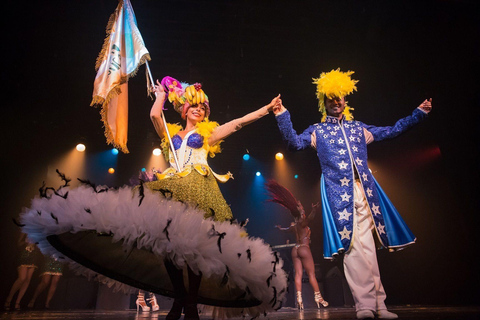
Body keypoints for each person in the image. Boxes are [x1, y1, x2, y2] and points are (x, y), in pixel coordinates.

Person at [19, 77, 288, 319]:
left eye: (203, 108)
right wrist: (160, 94)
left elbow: (238, 123)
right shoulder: (170, 136)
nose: (198, 110)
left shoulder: (208, 135)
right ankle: (180, 297)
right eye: (193, 106)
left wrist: (266, 108)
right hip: (173, 187)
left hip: (199, 187)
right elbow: (154, 115)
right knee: (169, 247)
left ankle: (191, 301)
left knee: (196, 248)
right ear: (184, 109)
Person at [272, 69, 432, 320]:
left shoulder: (359, 128)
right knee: (354, 247)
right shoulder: (318, 131)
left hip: (365, 191)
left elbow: (391, 131)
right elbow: (293, 143)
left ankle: (379, 305)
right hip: (338, 194)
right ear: (323, 102)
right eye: (331, 98)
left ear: (346, 100)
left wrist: (418, 114)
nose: (336, 102)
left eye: (340, 97)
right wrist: (282, 115)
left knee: (368, 248)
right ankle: (364, 306)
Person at [266, 180, 328, 310]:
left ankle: (299, 299)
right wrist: (314, 210)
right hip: (304, 249)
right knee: (311, 275)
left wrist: (279, 228)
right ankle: (319, 297)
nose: (302, 207)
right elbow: (310, 219)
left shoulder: (293, 225)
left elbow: (285, 230)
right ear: (299, 212)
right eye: (300, 207)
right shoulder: (301, 222)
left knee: (298, 274)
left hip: (295, 249)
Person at [4, 233, 39, 311]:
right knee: (22, 278)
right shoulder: (24, 230)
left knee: (27, 280)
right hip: (24, 254)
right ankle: (9, 299)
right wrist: (26, 242)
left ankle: (17, 302)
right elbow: (19, 243)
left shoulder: (38, 230)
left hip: (33, 255)